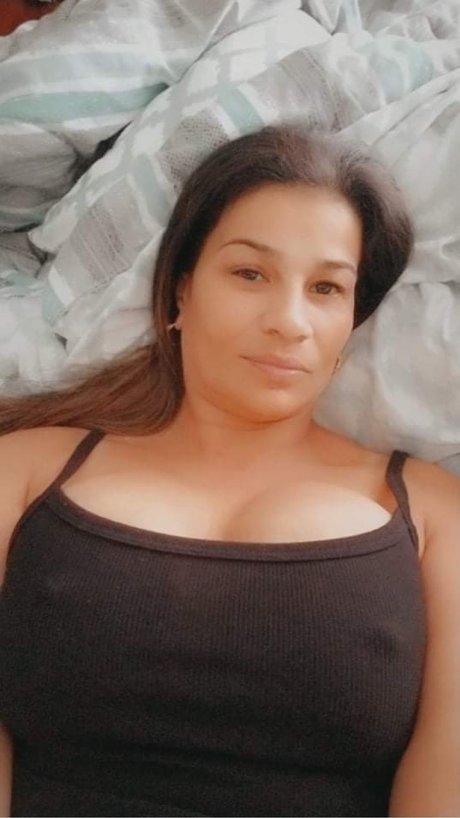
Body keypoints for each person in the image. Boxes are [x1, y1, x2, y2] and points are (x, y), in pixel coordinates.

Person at [0, 124, 458, 818]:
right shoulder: (26, 470)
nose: (289, 321)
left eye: (327, 288)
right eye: (250, 274)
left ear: (351, 322)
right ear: (182, 290)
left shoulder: (433, 516)